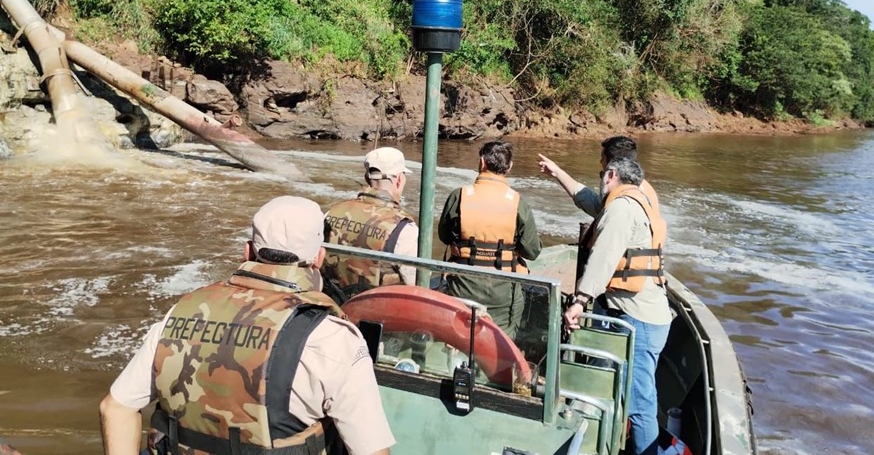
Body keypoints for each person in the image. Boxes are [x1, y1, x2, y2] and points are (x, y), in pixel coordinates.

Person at [99, 196, 395, 455]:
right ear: (318, 258)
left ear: (247, 251)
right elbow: (370, 450)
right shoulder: (331, 338)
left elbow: (115, 408)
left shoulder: (181, 312)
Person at [561, 158, 671, 455]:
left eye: (601, 174)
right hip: (646, 313)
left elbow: (604, 257)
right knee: (635, 397)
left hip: (639, 319)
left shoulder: (621, 208)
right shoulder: (641, 201)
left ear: (611, 175)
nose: (600, 180)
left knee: (639, 404)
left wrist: (580, 300)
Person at [438, 140, 542, 340]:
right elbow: (532, 251)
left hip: (462, 286)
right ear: (509, 168)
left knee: (457, 339)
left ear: (482, 162)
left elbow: (444, 236)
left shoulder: (459, 196)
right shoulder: (518, 203)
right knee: (499, 341)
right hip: (502, 292)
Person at [323, 147, 419, 300]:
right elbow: (416, 285)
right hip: (377, 309)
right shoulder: (404, 228)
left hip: (331, 304)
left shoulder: (331, 212)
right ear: (399, 180)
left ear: (366, 178)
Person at [537, 135, 659, 219]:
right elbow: (596, 206)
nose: (600, 162)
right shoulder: (635, 185)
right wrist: (557, 172)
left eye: (602, 158)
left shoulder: (625, 198)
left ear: (612, 163)